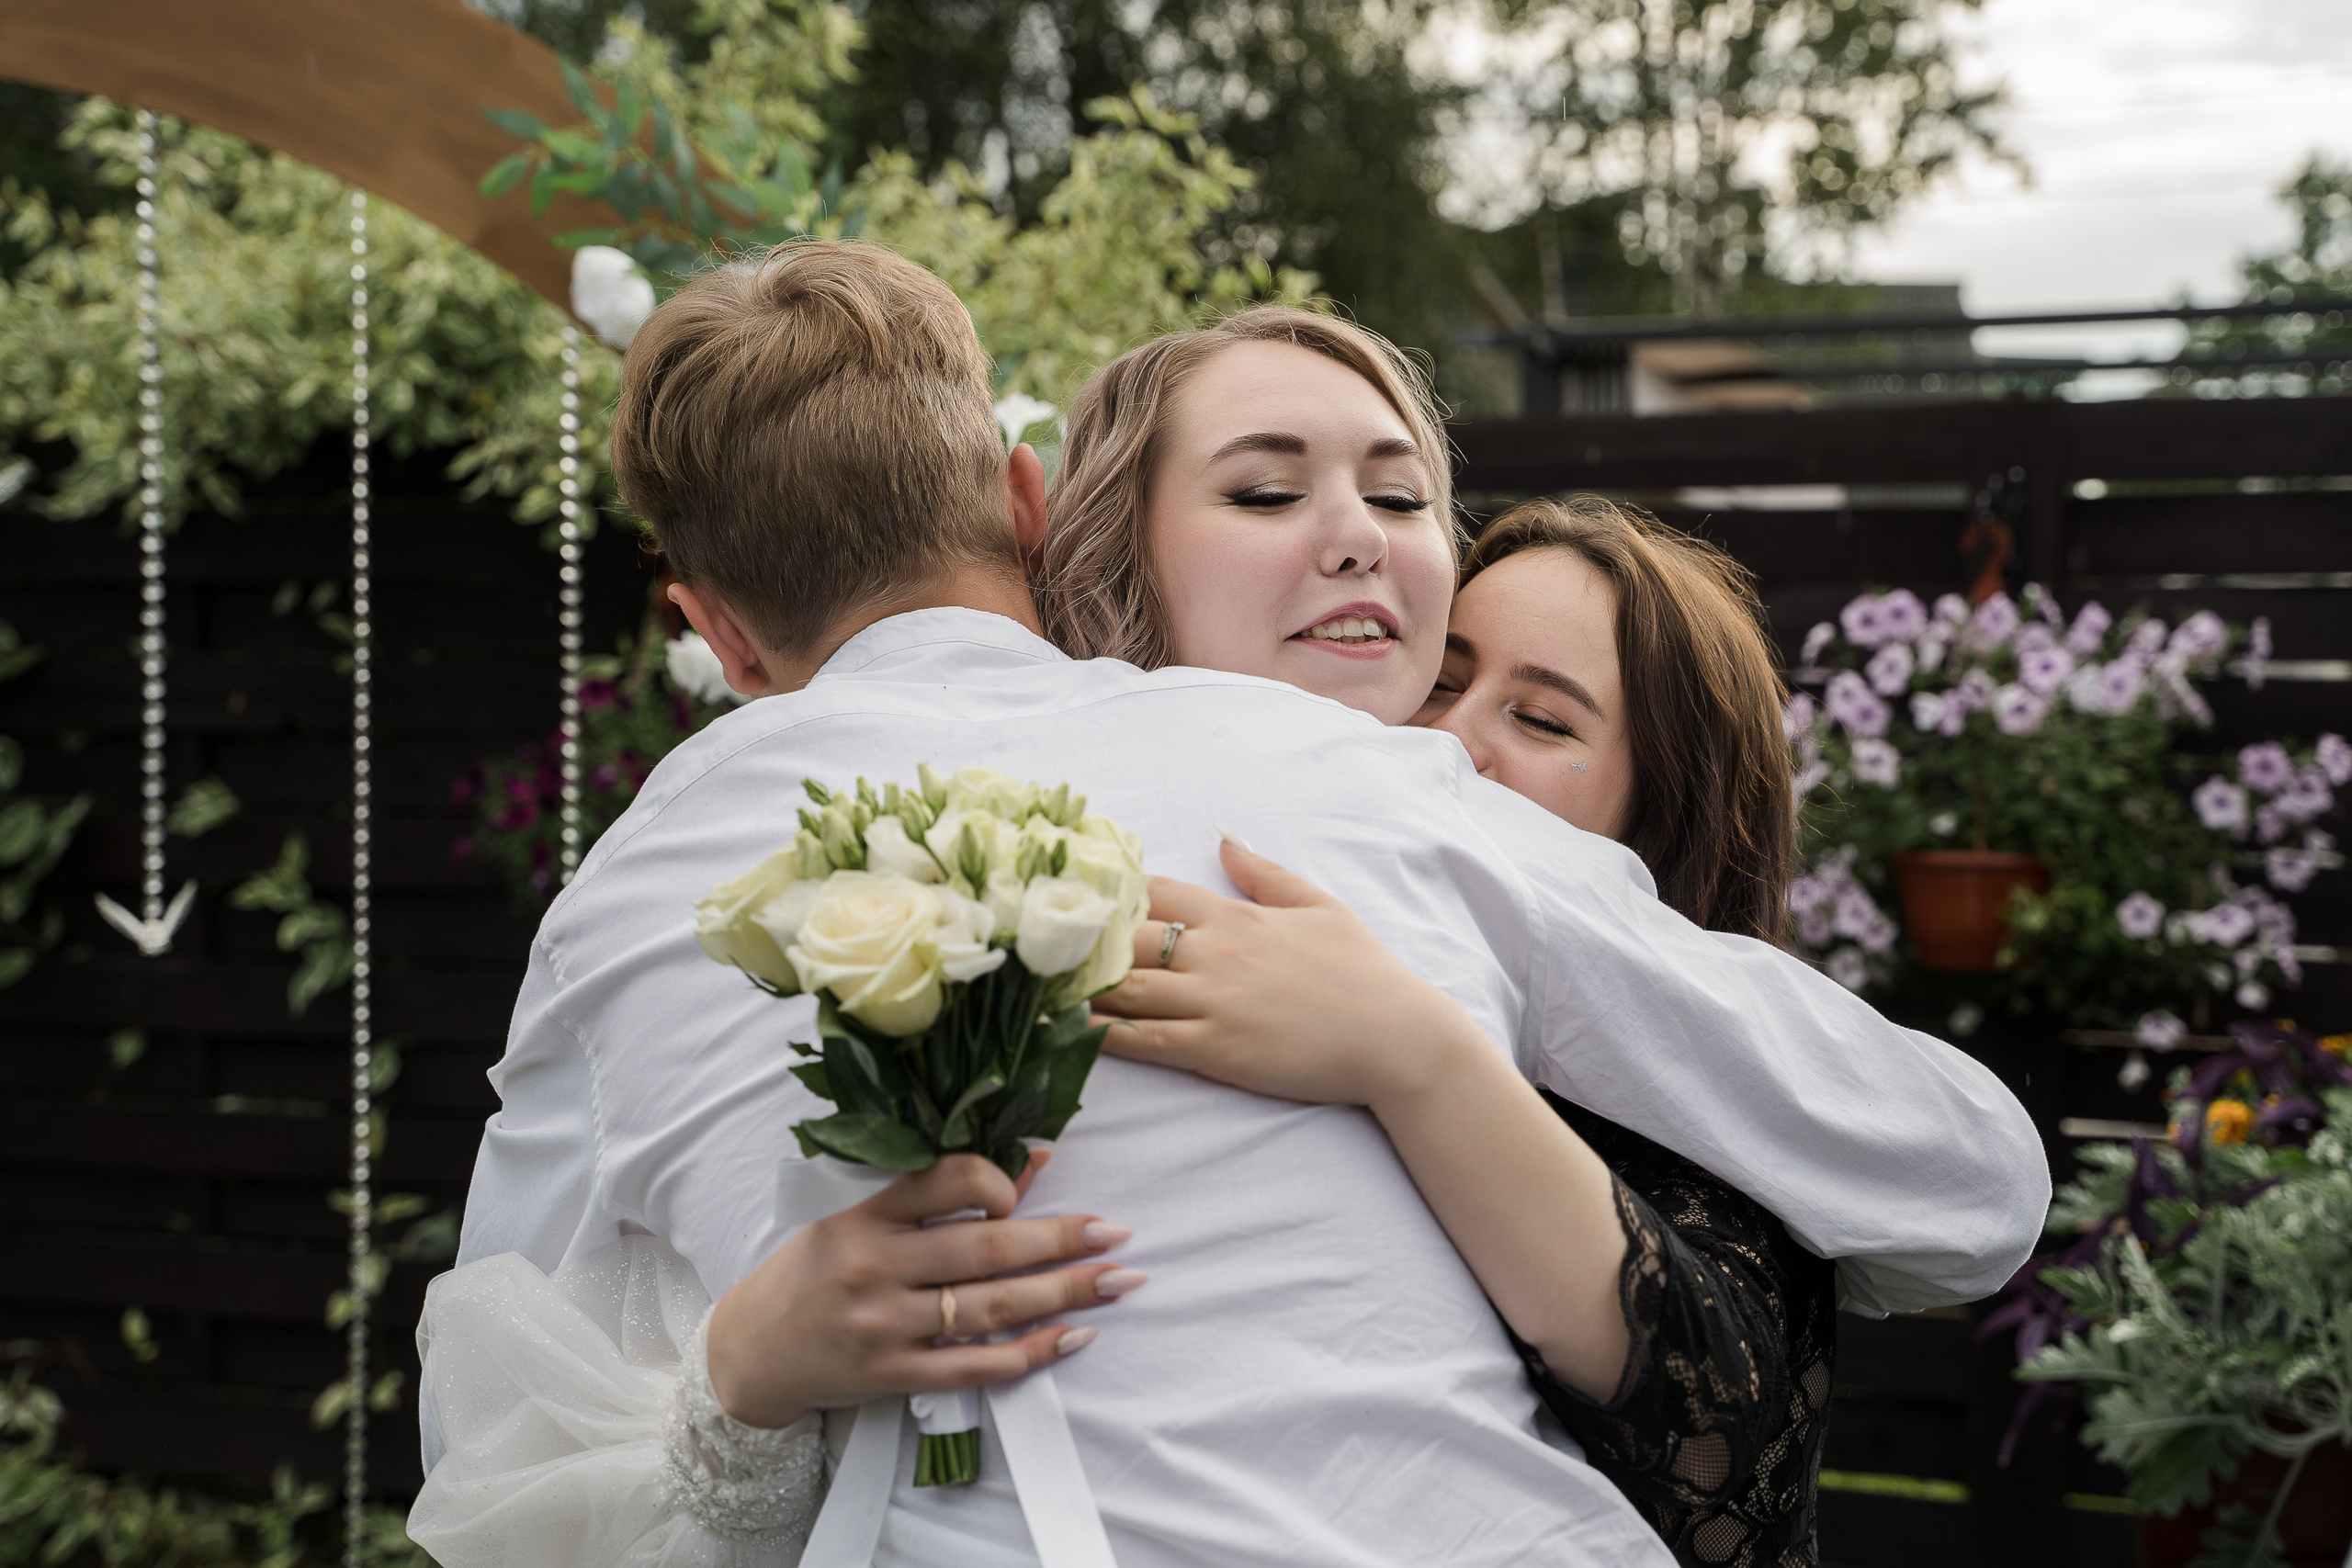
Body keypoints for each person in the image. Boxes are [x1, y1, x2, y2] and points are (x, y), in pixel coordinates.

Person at [409, 242, 2046, 1568]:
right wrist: (749, 1379)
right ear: (1040, 509)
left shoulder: (622, 909)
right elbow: (1966, 1183)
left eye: (1402, 499)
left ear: (718, 631)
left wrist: (1420, 1053)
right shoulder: (1339, 784)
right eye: (1265, 495)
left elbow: (501, 1468)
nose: (1352, 546)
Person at [1045, 320, 1838, 1562]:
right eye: (1442, 684)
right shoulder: (1045, 872)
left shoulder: (1697, 1079)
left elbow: (1721, 1453)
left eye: (1540, 718)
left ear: (1658, 827)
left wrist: (1408, 1051)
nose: (1448, 744)